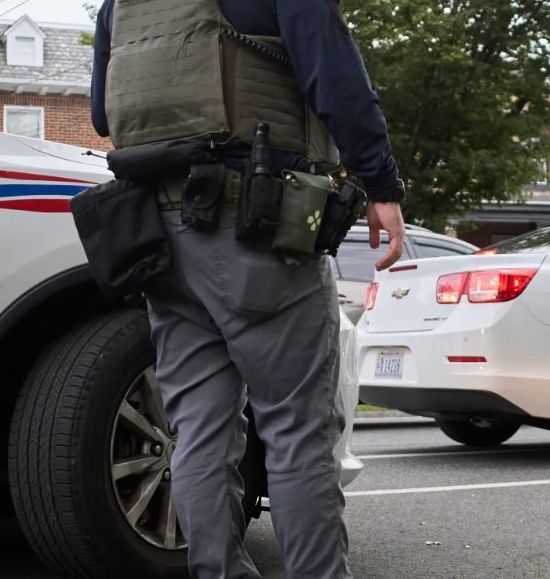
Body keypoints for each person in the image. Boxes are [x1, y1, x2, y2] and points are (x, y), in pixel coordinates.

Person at [91, 1, 406, 577]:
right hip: (255, 231)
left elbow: (102, 116)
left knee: (199, 432)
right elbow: (337, 83)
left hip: (160, 241)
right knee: (298, 431)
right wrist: (382, 184)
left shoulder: (121, 3)